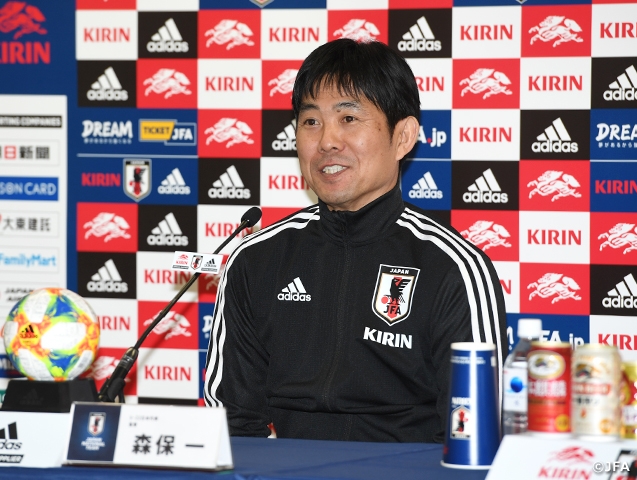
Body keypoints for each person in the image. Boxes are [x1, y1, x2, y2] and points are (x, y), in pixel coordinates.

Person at [204, 38, 507, 443]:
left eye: (349, 119)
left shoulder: (453, 267)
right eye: (311, 122)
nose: (327, 140)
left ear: (403, 137)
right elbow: (230, 423)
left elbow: (475, 435)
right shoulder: (255, 259)